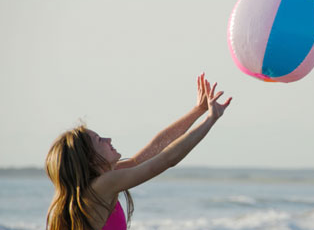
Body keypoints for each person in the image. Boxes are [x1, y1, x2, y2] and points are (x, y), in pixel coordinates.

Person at [45, 73, 232, 230]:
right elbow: (167, 159)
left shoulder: (105, 179)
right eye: (99, 140)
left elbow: (154, 150)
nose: (108, 139)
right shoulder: (103, 184)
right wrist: (210, 120)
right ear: (89, 159)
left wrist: (197, 111)